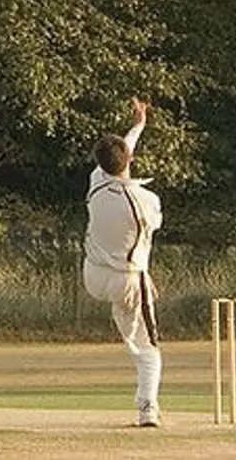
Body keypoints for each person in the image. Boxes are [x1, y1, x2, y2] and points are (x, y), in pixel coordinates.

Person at [82, 98, 163, 427]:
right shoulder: (145, 200)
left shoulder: (96, 182)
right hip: (127, 279)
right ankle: (148, 408)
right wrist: (144, 274)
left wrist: (138, 125)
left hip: (93, 275)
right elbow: (148, 235)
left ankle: (148, 405)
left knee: (131, 326)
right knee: (147, 349)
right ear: (130, 160)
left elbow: (120, 153)